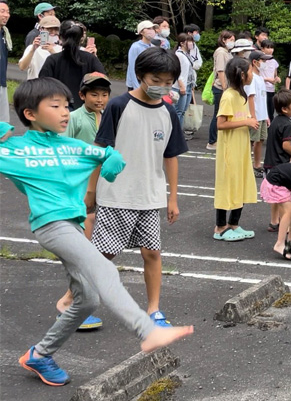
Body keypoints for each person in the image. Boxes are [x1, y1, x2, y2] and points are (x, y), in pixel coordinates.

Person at [2, 78, 193, 387]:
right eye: (55, 106)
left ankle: (40, 354)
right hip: (51, 225)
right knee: (103, 266)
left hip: (74, 225)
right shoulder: (16, 149)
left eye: (67, 105)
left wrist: (112, 162)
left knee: (88, 299)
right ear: (29, 114)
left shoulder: (70, 145)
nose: (65, 112)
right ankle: (147, 330)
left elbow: (105, 154)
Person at [89, 47, 188, 328]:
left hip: (150, 195)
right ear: (141, 75)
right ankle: (73, 302)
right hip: (117, 194)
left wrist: (172, 199)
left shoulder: (168, 111)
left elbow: (171, 156)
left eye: (168, 82)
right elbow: (101, 149)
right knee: (103, 255)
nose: (162, 87)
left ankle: (154, 310)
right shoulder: (119, 105)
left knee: (152, 253)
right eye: (156, 80)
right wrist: (91, 192)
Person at [56, 72, 112, 331]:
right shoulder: (75, 118)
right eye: (94, 94)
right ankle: (69, 304)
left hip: (103, 185)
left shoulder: (109, 116)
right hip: (80, 187)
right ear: (82, 95)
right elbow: (62, 149)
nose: (100, 99)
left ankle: (74, 302)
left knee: (94, 248)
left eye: (104, 94)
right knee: (86, 249)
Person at [213, 58, 259, 242]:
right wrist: (247, 121)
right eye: (250, 71)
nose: (252, 74)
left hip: (241, 148)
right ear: (241, 75)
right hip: (230, 150)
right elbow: (221, 124)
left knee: (241, 183)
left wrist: (250, 121)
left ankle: (234, 224)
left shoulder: (241, 95)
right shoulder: (229, 96)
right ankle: (220, 227)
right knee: (227, 185)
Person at [39, 21, 106, 110]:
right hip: (86, 111)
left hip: (57, 110)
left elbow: (42, 86)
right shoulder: (91, 59)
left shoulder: (52, 60)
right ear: (81, 38)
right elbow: (103, 81)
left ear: (59, 37)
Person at [263, 89, 291, 234]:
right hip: (281, 166)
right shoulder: (288, 124)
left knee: (275, 196)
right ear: (285, 109)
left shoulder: (275, 121)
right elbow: (286, 146)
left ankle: (274, 222)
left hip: (269, 164)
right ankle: (287, 226)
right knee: (286, 197)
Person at [207, 30, 236, 150]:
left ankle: (218, 139)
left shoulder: (228, 52)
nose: (232, 42)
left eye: (233, 40)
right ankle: (212, 141)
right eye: (230, 40)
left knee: (223, 114)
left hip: (226, 87)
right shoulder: (220, 52)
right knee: (218, 114)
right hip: (220, 87)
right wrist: (225, 88)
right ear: (223, 40)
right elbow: (220, 71)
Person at [244, 51, 270, 177]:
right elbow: (251, 98)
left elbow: (262, 99)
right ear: (255, 62)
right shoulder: (252, 78)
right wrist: (253, 116)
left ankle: (257, 164)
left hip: (262, 115)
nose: (265, 63)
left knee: (260, 140)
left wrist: (266, 116)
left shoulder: (260, 77)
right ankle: (246, 165)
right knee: (251, 140)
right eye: (263, 61)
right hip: (255, 115)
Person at [19, 15, 62, 80]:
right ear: (41, 29)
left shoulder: (62, 49)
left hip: (54, 86)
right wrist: (33, 50)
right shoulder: (32, 48)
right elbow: (22, 67)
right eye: (49, 29)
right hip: (35, 86)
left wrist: (52, 51)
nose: (53, 32)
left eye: (56, 29)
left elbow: (63, 69)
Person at [126, 20, 157, 91]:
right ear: (141, 32)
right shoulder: (135, 47)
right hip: (136, 84)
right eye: (149, 29)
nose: (152, 31)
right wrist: (136, 87)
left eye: (153, 28)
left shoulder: (153, 47)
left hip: (148, 83)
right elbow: (132, 67)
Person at [173, 33, 196, 129]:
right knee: (179, 111)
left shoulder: (186, 55)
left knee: (182, 112)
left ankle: (179, 133)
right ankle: (175, 133)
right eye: (189, 41)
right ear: (182, 43)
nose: (191, 43)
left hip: (188, 85)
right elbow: (177, 71)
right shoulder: (179, 54)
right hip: (181, 86)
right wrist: (182, 85)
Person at [259, 39, 281, 121]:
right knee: (264, 112)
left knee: (271, 111)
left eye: (272, 48)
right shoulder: (259, 61)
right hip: (262, 89)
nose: (271, 50)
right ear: (262, 49)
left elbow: (275, 75)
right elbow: (256, 76)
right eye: (268, 48)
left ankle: (270, 131)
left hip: (271, 89)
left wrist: (277, 78)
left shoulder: (274, 62)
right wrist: (267, 79)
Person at [0, 0, 9, 123]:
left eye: (8, 11)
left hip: (2, 82)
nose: (6, 15)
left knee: (4, 125)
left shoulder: (5, 33)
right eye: (2, 11)